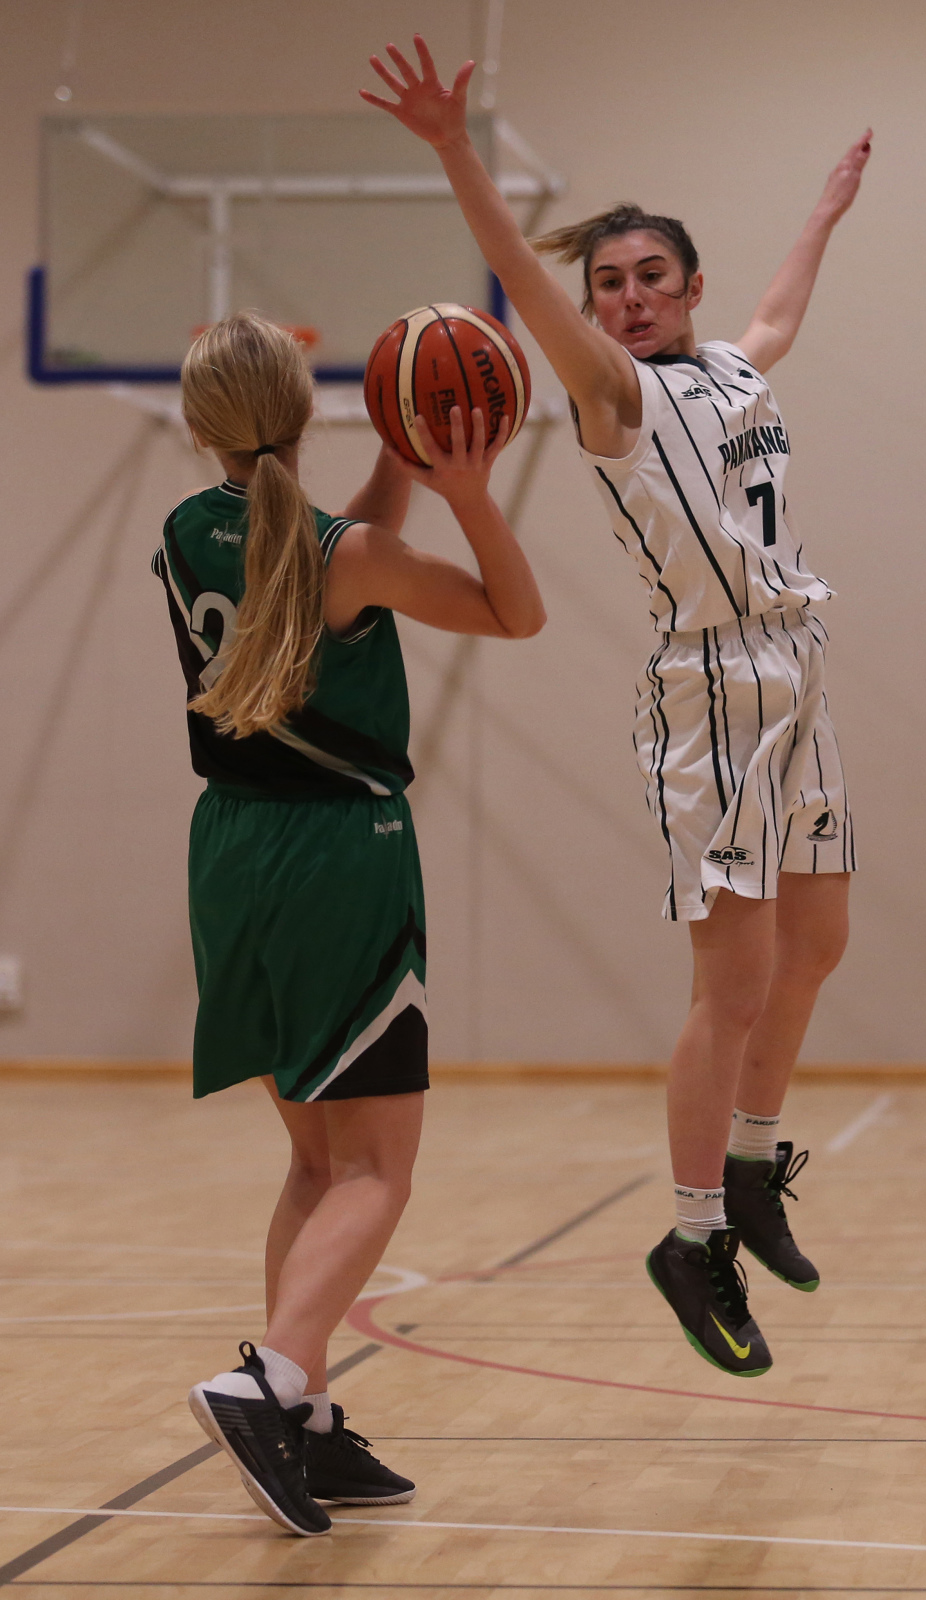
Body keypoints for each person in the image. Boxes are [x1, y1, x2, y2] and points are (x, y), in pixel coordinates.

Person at [362, 37, 871, 1379]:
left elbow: (778, 311)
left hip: (798, 666)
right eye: (608, 284)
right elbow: (523, 282)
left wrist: (822, 213)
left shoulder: (737, 368)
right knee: (733, 980)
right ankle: (692, 1236)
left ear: (689, 288)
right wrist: (455, 150)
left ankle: (750, 1166)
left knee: (818, 943)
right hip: (711, 692)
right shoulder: (613, 396)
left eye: (650, 277)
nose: (629, 297)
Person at [157, 311, 545, 1535]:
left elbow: (318, 547)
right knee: (378, 1167)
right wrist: (469, 493)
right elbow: (516, 612)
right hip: (339, 857)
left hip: (229, 850)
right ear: (307, 408)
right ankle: (266, 1381)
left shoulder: (185, 530)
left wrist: (397, 462)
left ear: (202, 426)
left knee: (317, 1163)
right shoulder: (353, 555)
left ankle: (309, 1418)